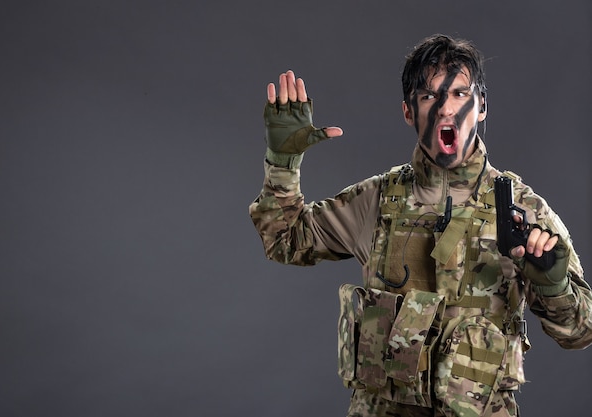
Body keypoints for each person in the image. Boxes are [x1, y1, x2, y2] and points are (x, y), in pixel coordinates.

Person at [249, 34, 592, 417]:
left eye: (460, 94)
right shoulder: (376, 200)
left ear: (482, 107)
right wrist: (282, 162)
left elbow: (581, 332)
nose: (446, 108)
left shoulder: (522, 210)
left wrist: (553, 283)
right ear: (409, 111)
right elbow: (286, 241)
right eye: (429, 96)